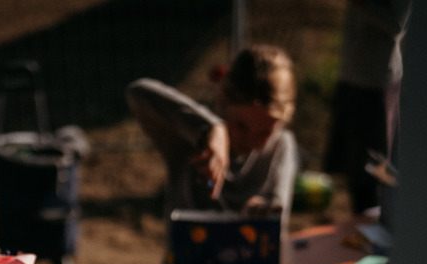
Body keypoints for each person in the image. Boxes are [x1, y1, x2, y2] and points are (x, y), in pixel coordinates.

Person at [126, 45, 299, 222]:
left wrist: (263, 209)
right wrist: (211, 128)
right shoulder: (191, 137)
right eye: (242, 126)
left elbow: (279, 213)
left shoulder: (282, 145)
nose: (251, 139)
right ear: (222, 101)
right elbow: (138, 92)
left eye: (265, 131)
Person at [324, 0, 411, 214]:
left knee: (374, 170)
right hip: (350, 78)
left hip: (376, 83)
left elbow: (398, 26)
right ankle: (363, 226)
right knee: (353, 169)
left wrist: (364, 5)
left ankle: (378, 229)